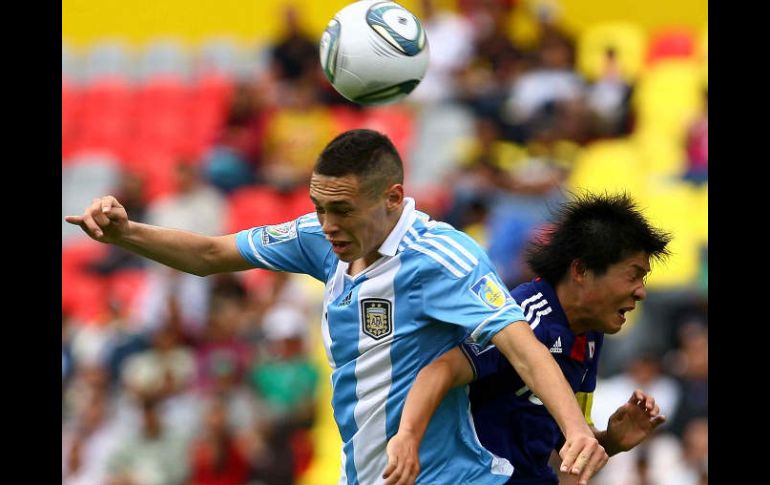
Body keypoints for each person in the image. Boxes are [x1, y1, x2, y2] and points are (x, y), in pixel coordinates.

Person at [66, 129, 606, 485]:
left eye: (342, 210)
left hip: (451, 475)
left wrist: (578, 432)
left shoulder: (441, 256)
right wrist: (127, 233)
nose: (327, 225)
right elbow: (211, 254)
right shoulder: (320, 239)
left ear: (393, 198)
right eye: (318, 207)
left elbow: (521, 344)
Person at [384, 192, 672, 485]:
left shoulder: (590, 336)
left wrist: (610, 441)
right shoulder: (522, 318)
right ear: (581, 270)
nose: (641, 291)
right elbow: (440, 369)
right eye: (633, 275)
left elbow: (569, 437)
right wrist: (407, 435)